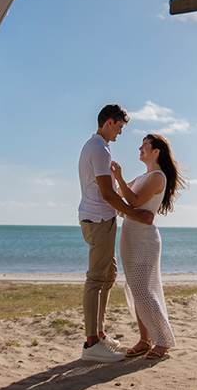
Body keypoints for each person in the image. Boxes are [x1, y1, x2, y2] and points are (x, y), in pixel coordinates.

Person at [78, 104, 154, 363]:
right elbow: (107, 194)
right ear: (109, 122)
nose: (121, 133)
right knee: (96, 279)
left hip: (103, 218)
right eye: (120, 127)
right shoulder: (98, 148)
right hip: (98, 219)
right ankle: (91, 344)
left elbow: (110, 189)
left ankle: (98, 335)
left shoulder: (100, 147)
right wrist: (134, 214)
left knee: (107, 276)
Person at [110, 133, 187, 360]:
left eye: (145, 146)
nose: (140, 148)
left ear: (156, 152)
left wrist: (121, 178)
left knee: (145, 290)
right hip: (129, 235)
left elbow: (132, 201)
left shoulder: (157, 177)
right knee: (135, 289)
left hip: (144, 238)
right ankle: (145, 340)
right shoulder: (143, 176)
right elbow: (120, 195)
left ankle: (163, 341)